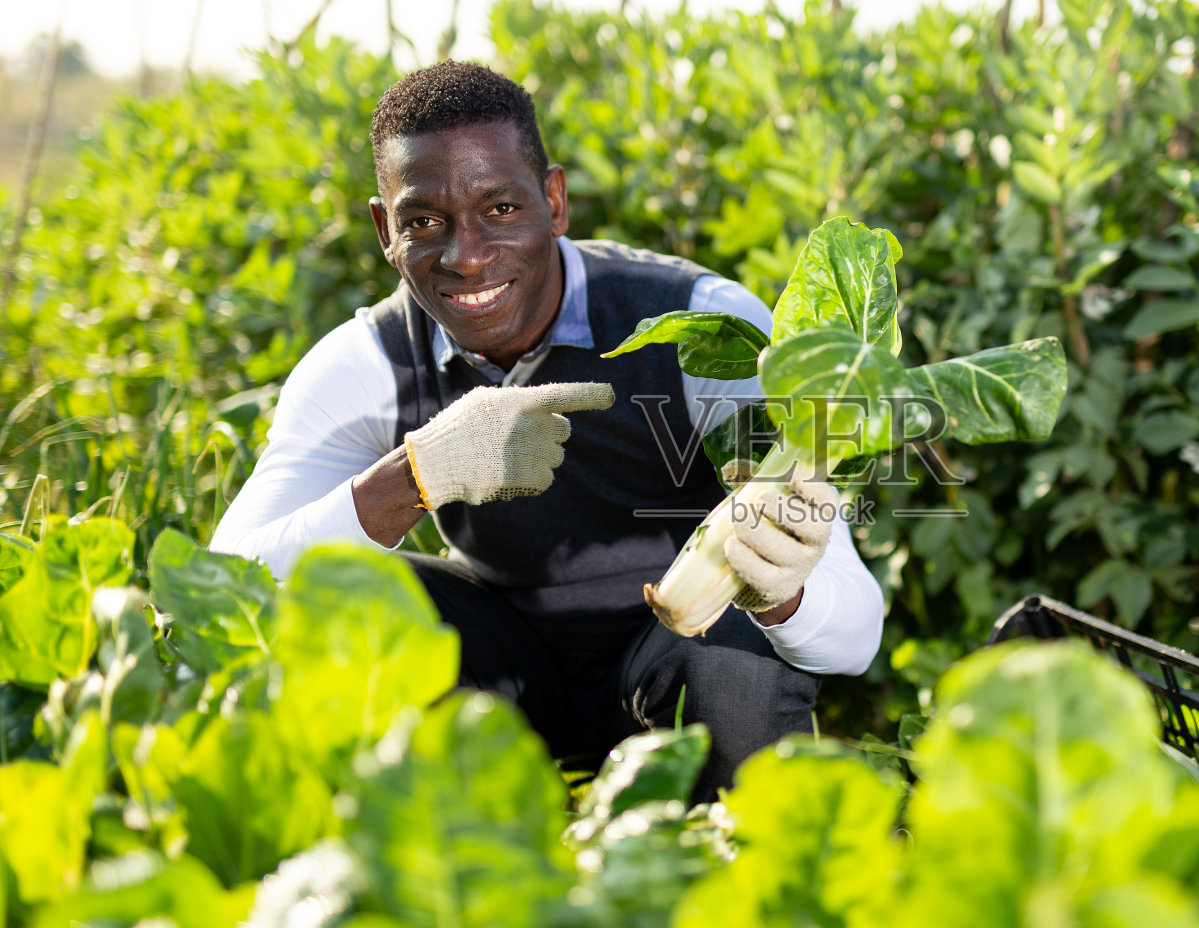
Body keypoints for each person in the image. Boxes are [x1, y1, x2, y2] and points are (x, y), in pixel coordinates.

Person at [211, 61, 883, 798]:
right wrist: (417, 476)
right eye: (424, 221)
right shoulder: (368, 362)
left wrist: (784, 594)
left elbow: (856, 634)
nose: (466, 256)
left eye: (500, 209)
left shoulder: (704, 328)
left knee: (739, 646)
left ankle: (749, 876)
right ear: (384, 230)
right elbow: (221, 590)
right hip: (505, 681)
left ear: (554, 201)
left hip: (676, 663)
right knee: (352, 595)